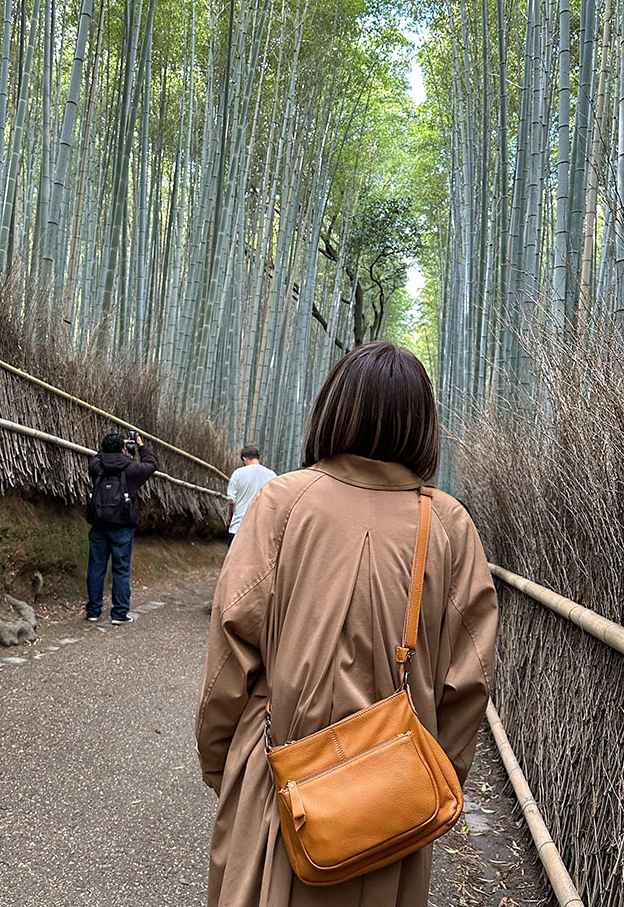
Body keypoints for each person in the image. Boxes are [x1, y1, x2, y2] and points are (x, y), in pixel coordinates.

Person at [196, 341, 498, 907]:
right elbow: (469, 686)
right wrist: (430, 784)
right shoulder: (451, 527)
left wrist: (226, 766)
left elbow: (231, 657)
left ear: (335, 408)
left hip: (276, 786)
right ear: (422, 425)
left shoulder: (282, 504)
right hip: (393, 805)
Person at [85, 432, 157, 625]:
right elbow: (151, 464)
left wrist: (111, 447)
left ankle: (93, 611)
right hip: (122, 527)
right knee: (121, 570)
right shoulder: (132, 468)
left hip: (99, 525)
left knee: (96, 567)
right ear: (123, 448)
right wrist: (140, 446)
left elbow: (98, 456)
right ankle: (118, 614)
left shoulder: (96, 466)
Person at [225, 444, 276, 547]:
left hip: (238, 528)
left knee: (235, 562)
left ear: (244, 459)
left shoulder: (238, 473)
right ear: (258, 458)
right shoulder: (272, 475)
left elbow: (231, 500)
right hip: (262, 531)